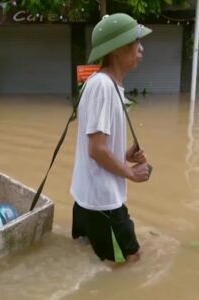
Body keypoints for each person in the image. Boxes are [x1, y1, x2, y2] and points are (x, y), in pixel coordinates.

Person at [70, 13, 152, 264]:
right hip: (103, 202)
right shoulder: (103, 86)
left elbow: (98, 145)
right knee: (132, 262)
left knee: (89, 259)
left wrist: (125, 154)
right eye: (135, 40)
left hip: (89, 196)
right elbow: (96, 149)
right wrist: (130, 172)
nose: (141, 47)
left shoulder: (105, 84)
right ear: (117, 49)